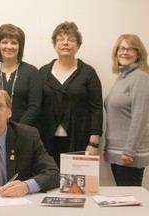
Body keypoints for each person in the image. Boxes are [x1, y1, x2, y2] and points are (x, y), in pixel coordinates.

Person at [39, 21, 103, 168]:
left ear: (78, 45)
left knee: (77, 187)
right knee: (49, 183)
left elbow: (96, 109)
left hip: (79, 141)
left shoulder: (88, 73)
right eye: (61, 39)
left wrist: (93, 143)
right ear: (54, 45)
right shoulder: (43, 73)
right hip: (47, 142)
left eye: (71, 40)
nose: (65, 43)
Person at [104, 34, 149, 186]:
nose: (125, 52)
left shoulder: (141, 77)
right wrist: (107, 147)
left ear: (138, 54)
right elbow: (116, 118)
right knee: (122, 199)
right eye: (122, 48)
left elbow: (140, 118)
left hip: (129, 152)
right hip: (116, 150)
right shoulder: (121, 78)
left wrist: (129, 150)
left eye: (131, 49)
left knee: (130, 200)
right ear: (116, 52)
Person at [0, 24, 41, 127]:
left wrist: (16, 130)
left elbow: (34, 107)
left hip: (24, 133)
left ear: (20, 46)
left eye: (14, 43)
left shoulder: (32, 72)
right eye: (4, 42)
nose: (9, 46)